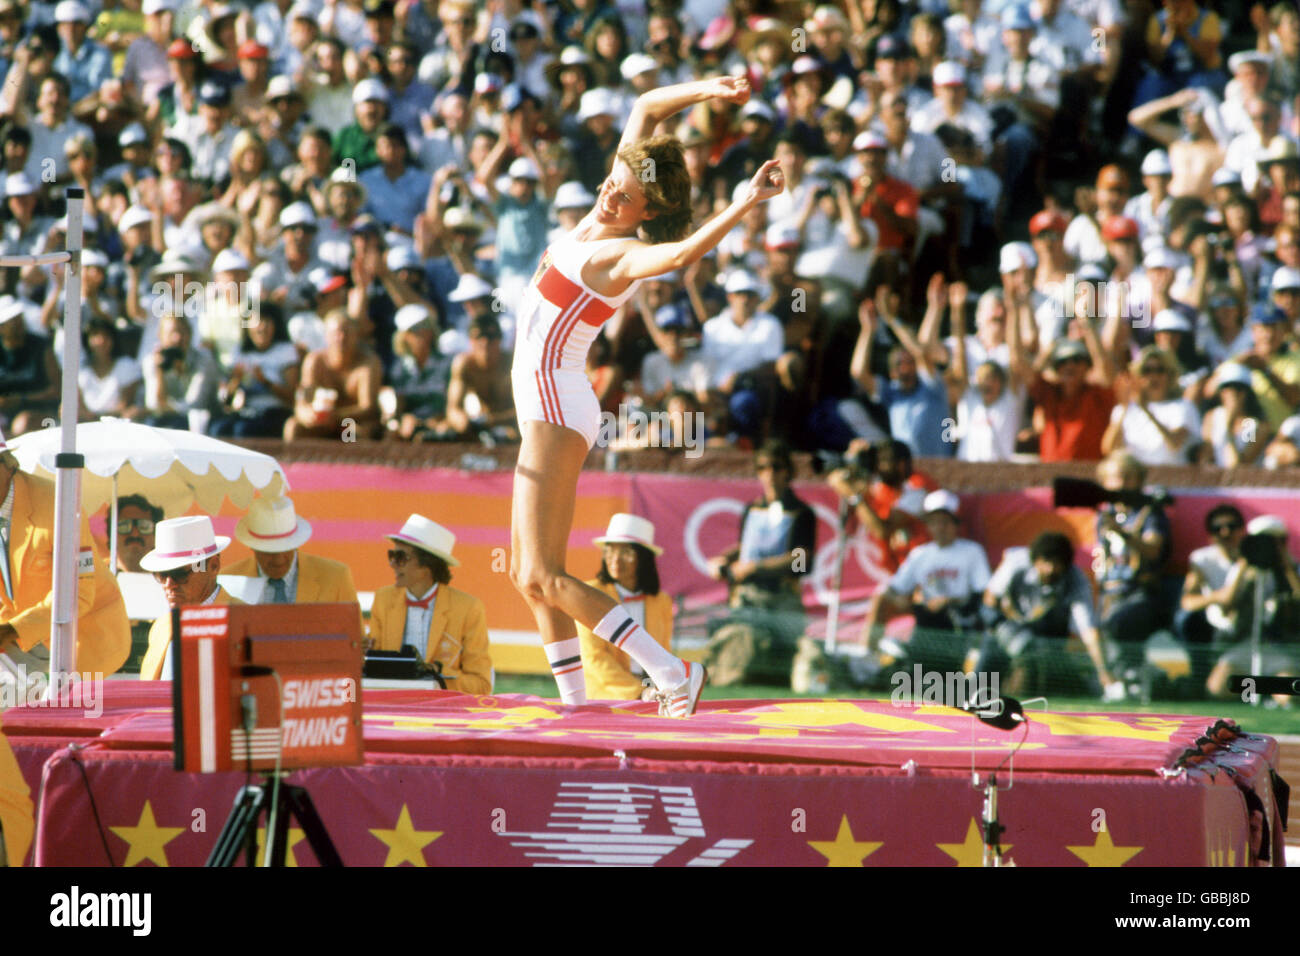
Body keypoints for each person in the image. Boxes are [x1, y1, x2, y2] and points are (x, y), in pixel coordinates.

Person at [508, 75, 784, 718]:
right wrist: (712, 87)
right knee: (525, 576)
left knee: (548, 574)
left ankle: (672, 670)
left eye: (625, 194)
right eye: (611, 183)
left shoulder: (623, 255)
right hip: (546, 404)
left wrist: (746, 200)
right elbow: (643, 106)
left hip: (556, 404)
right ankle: (575, 705)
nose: (610, 192)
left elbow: (684, 252)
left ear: (647, 212)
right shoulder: (595, 218)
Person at [0, 429, 131, 680]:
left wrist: (13, 629)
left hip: (85, 640)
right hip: (26, 641)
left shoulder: (59, 504)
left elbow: (78, 593)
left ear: (9, 465)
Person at [705, 439, 816, 686]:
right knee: (741, 645)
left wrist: (756, 567)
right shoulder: (751, 509)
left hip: (783, 598)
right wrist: (726, 559)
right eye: (762, 468)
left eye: (776, 467)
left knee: (783, 665)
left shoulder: (802, 512)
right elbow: (746, 547)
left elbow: (802, 563)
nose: (769, 474)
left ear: (788, 471)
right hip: (750, 595)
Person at [974, 530, 1119, 699]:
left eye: (1057, 564)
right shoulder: (1016, 563)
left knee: (1035, 686)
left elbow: (1089, 632)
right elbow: (989, 600)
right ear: (1035, 560)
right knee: (978, 690)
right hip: (1005, 631)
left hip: (1046, 641)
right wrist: (1003, 628)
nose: (1050, 570)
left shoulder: (1076, 581)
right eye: (1046, 562)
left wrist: (1103, 670)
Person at [860, 490, 990, 673]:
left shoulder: (972, 552)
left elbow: (983, 593)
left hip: (960, 624)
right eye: (934, 522)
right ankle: (867, 659)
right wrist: (907, 601)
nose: (940, 527)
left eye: (945, 522)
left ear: (955, 524)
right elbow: (893, 589)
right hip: (926, 625)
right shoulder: (920, 555)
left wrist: (950, 601)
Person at [367, 514, 492, 695]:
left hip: (444, 710)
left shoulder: (468, 608)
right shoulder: (383, 600)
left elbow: (481, 685)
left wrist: (435, 675)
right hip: (394, 705)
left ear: (427, 566)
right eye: (391, 555)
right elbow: (371, 669)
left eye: (400, 557)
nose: (393, 564)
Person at [223, 495, 361, 630]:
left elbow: (355, 642)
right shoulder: (226, 581)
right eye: (269, 552)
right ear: (252, 547)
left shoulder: (336, 577)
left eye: (286, 549)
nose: (278, 560)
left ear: (297, 544)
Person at [576, 513, 673, 701]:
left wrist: (654, 690)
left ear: (644, 559)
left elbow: (662, 656)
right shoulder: (590, 594)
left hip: (649, 695)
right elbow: (593, 658)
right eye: (609, 551)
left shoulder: (661, 601)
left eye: (626, 553)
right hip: (603, 697)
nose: (615, 559)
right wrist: (639, 692)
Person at [138, 515, 244, 681]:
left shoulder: (242, 621)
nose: (168, 584)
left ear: (213, 566)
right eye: (162, 575)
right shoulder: (161, 627)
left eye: (179, 574)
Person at [114, 493, 161, 574]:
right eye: (124, 525)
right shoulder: (98, 580)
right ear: (112, 536)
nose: (135, 534)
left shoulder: (168, 583)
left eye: (144, 526)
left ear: (155, 536)